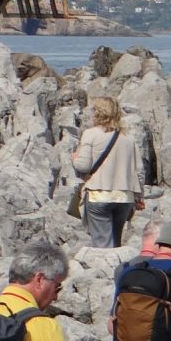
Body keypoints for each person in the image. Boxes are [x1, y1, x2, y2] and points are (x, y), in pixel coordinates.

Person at [71, 95, 144, 248]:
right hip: (125, 197)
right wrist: (139, 197)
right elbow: (139, 171)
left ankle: (105, 270)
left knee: (102, 244)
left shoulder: (90, 134)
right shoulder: (128, 137)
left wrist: (74, 158)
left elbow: (83, 166)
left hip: (99, 194)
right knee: (116, 241)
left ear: (97, 113)